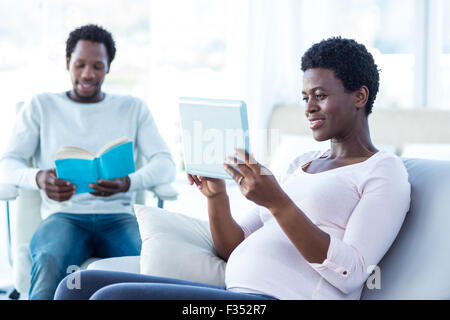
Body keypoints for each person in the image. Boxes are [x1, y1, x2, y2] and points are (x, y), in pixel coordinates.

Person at [54, 37, 410, 300]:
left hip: (271, 302)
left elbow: (352, 273)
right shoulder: (302, 163)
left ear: (360, 97)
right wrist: (217, 196)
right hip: (235, 295)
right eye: (305, 97)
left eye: (320, 95)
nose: (309, 107)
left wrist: (279, 204)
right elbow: (232, 247)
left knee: (110, 299)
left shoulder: (383, 171)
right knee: (78, 286)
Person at [0, 24, 176, 300]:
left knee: (151, 263)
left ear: (108, 67)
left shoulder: (133, 108)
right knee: (49, 260)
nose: (87, 74)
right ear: (68, 62)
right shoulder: (41, 106)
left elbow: (166, 163)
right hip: (64, 217)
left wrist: (128, 182)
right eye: (80, 64)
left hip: (118, 217)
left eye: (97, 66)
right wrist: (39, 179)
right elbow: (7, 162)